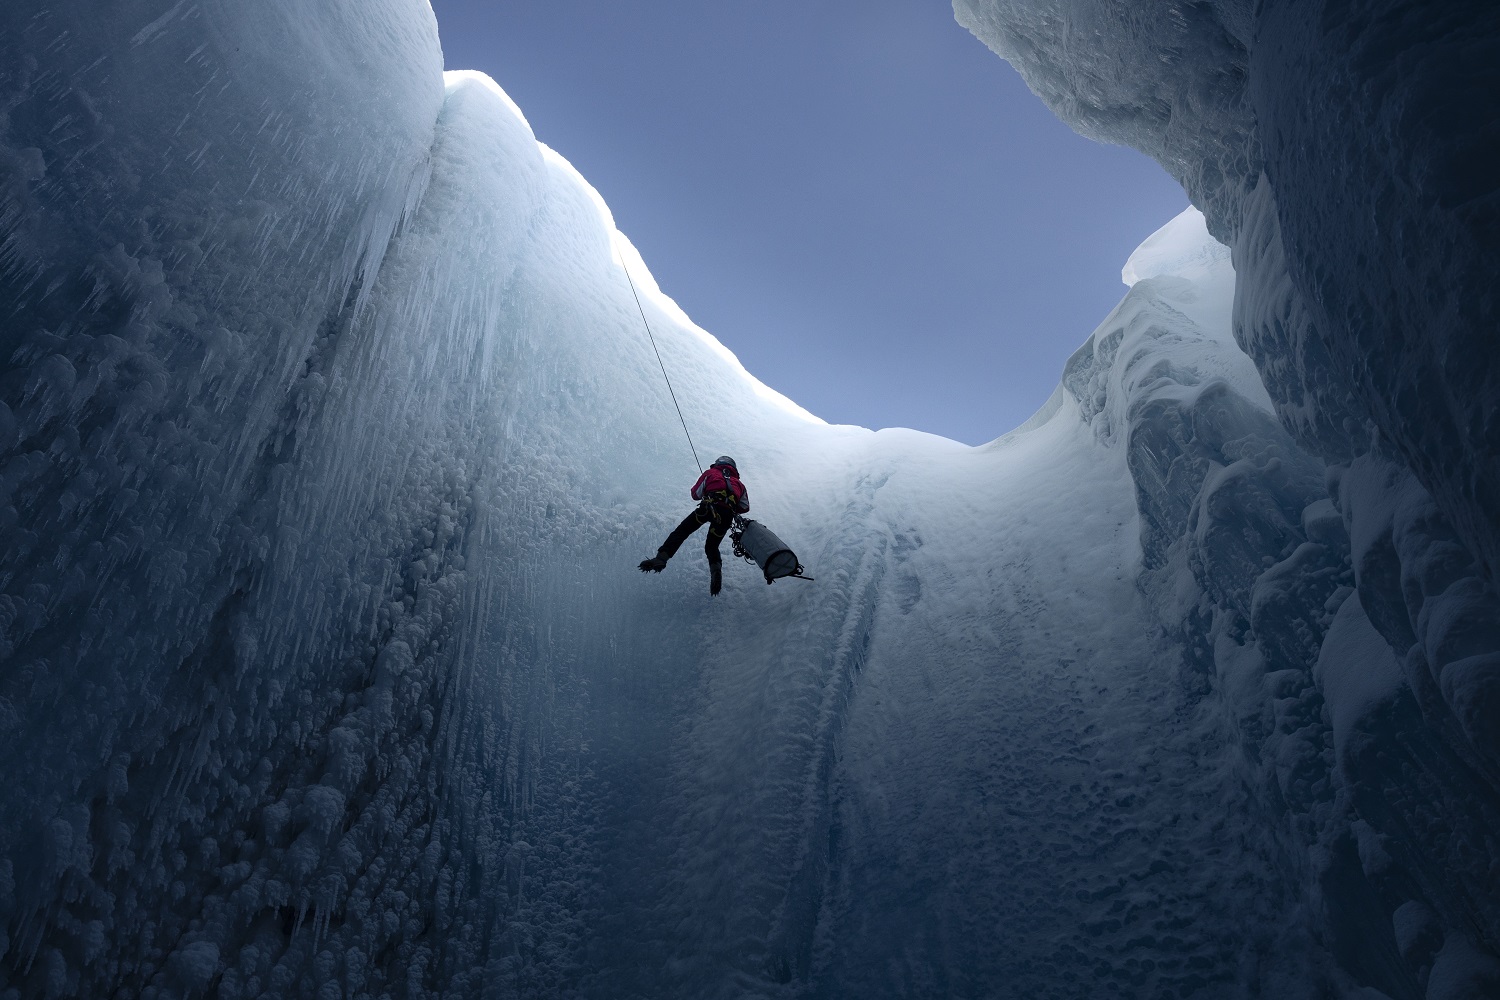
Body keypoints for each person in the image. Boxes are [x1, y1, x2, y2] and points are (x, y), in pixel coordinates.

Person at [639, 455, 750, 595]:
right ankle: (715, 570)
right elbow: (744, 507)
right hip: (726, 516)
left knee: (682, 531)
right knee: (712, 546)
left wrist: (708, 490)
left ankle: (661, 559)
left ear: (717, 464)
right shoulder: (740, 484)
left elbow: (695, 494)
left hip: (707, 508)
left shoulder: (711, 473)